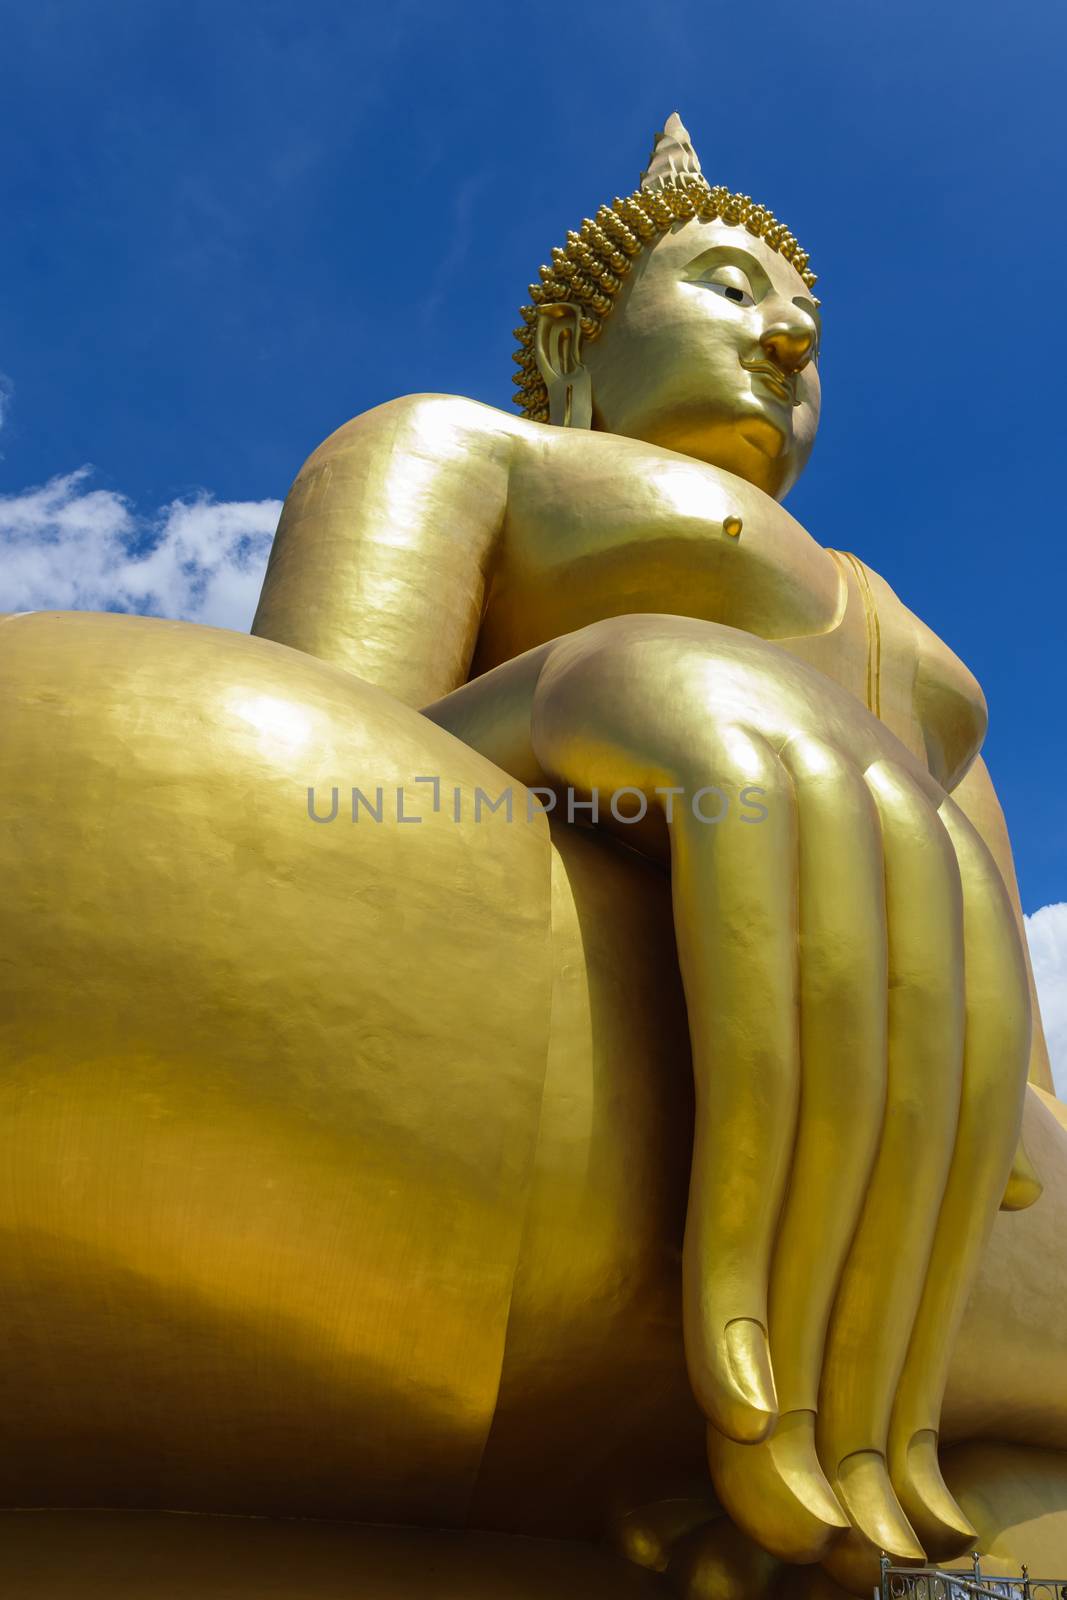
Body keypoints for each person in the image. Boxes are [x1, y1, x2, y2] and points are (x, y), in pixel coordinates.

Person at [1, 114, 1065, 1600]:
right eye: (726, 285)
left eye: (801, 319)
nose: (791, 330)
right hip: (529, 1002)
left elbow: (1022, 1096)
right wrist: (594, 683)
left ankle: (894, 1424)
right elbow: (325, 771)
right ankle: (949, 1434)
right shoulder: (467, 447)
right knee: (94, 769)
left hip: (921, 1146)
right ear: (580, 337)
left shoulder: (921, 656)